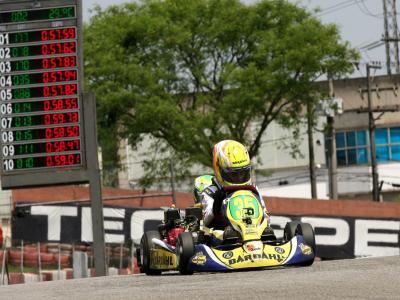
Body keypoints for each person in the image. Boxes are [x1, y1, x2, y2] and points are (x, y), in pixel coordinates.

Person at [201, 140, 271, 232]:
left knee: (267, 232)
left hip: (253, 231)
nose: (239, 178)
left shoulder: (253, 189)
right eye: (234, 174)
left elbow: (266, 217)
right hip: (222, 236)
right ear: (219, 170)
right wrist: (217, 203)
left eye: (242, 173)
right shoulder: (211, 192)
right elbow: (204, 222)